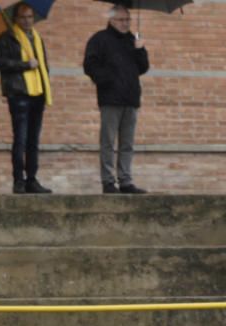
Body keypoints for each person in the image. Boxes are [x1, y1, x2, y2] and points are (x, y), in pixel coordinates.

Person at [83, 5, 150, 194]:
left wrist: (140, 49)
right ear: (111, 20)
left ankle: (126, 180)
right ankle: (108, 181)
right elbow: (90, 65)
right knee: (108, 141)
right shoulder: (99, 40)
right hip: (110, 98)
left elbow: (143, 68)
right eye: (121, 20)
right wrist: (107, 78)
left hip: (130, 98)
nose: (125, 23)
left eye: (127, 20)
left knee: (127, 143)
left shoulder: (133, 40)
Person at [0, 2, 52, 194]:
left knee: (33, 140)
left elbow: (44, 65)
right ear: (15, 19)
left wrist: (45, 87)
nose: (27, 21)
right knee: (21, 138)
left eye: (30, 17)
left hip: (38, 93)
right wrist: (25, 64)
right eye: (23, 17)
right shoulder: (7, 37)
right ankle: (19, 180)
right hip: (19, 93)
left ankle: (32, 179)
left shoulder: (37, 38)